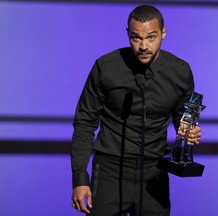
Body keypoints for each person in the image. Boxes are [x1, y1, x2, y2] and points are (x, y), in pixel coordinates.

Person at [71, 5, 202, 216]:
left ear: (163, 33)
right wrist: (79, 177)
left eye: (151, 37)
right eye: (136, 38)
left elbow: (182, 117)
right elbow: (85, 122)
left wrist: (188, 132)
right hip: (109, 170)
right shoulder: (106, 67)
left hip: (154, 172)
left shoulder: (180, 71)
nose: (143, 46)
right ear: (127, 34)